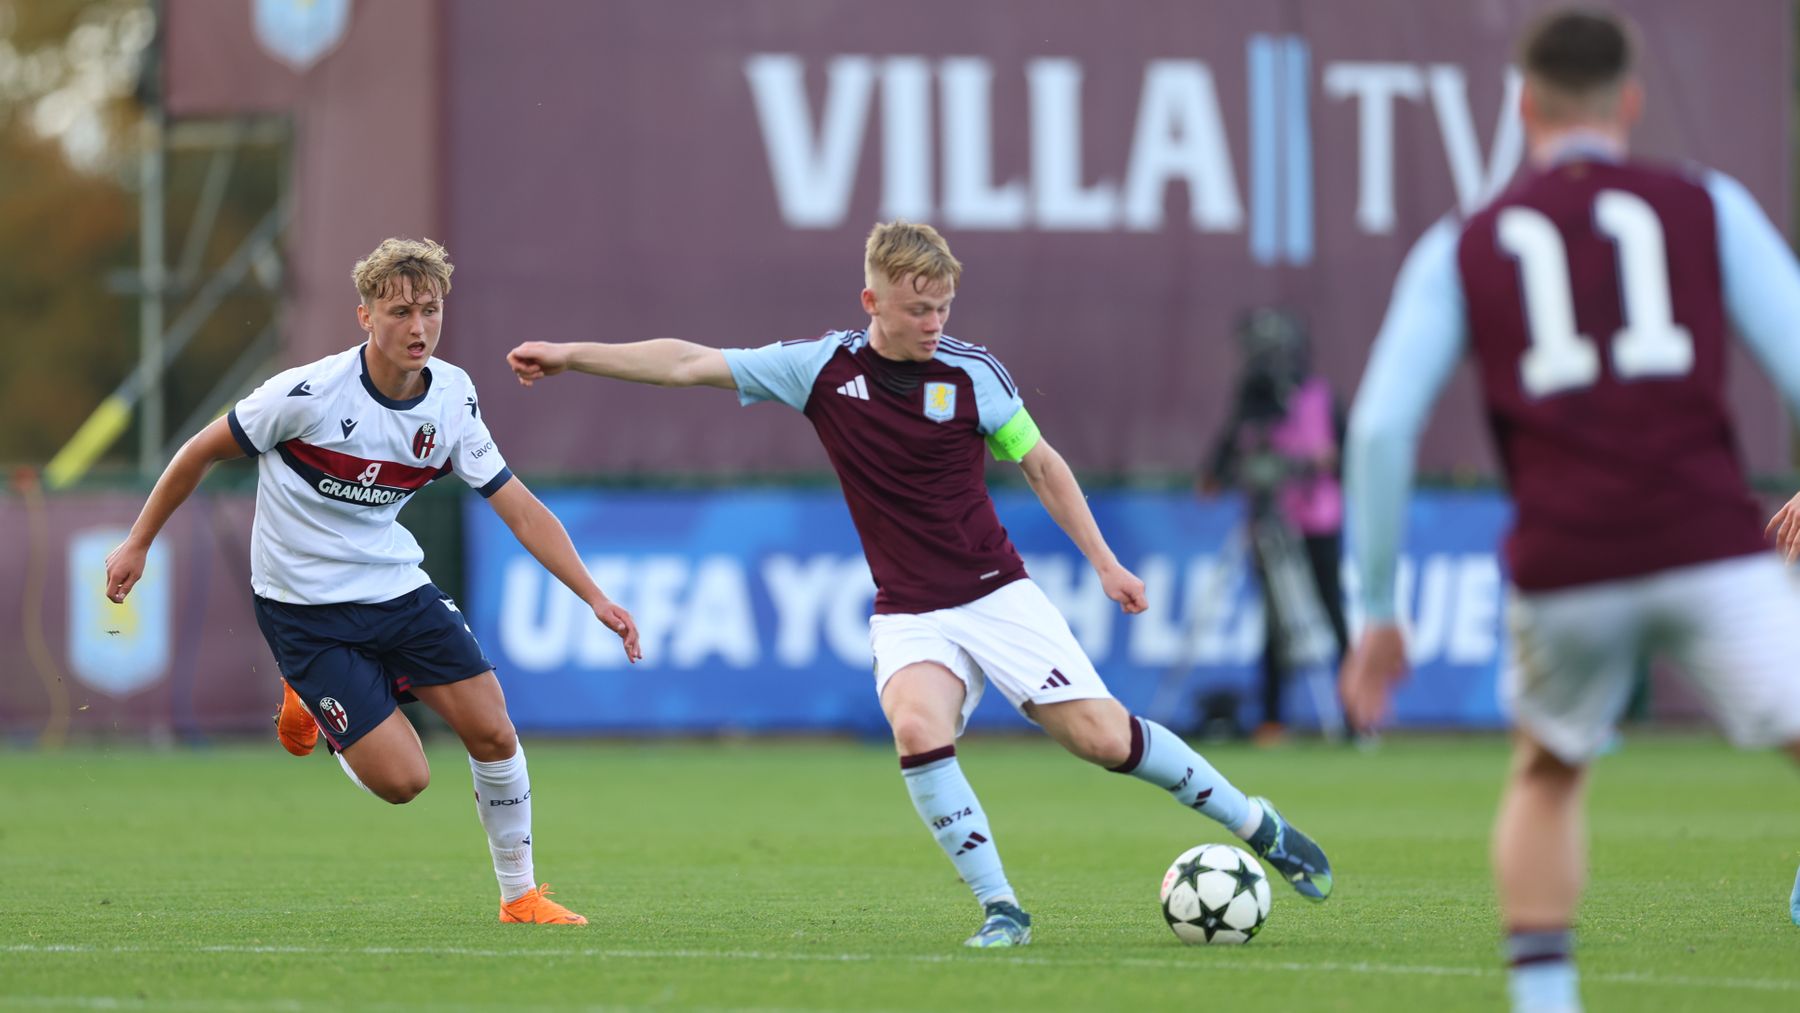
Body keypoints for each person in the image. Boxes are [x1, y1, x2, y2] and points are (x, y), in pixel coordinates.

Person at [505, 220, 1333, 948]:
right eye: (916, 307)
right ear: (871, 299)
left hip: (996, 593)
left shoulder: (975, 376)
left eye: (942, 306)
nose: (934, 322)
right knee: (915, 725)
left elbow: (1040, 463)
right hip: (910, 611)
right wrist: (572, 355)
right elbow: (686, 362)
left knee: (1103, 740)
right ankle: (1002, 907)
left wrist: (1106, 561)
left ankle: (1257, 822)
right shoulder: (819, 369)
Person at [1337, 9, 1800, 1012]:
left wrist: (1377, 608)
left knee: (1548, 769)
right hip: (1708, 542)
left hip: (1563, 563)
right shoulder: (1704, 203)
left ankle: (1547, 1001)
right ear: (1628, 103)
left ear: (1522, 104)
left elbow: (1377, 430)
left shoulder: (1462, 243)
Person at [104, 237, 642, 925]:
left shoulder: (451, 398)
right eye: (399, 313)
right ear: (364, 317)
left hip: (393, 587)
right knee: (405, 781)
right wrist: (139, 541)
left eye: (430, 309)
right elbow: (199, 451)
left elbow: (516, 503)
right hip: (302, 608)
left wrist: (594, 596)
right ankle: (311, 689)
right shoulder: (305, 395)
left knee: (493, 731)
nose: (418, 328)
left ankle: (520, 896)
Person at [1200, 307, 1350, 745]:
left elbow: (1345, 455)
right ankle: (1272, 720)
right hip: (1268, 522)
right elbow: (1221, 463)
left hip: (1318, 521)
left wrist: (1312, 464)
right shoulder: (1250, 401)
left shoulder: (1320, 396)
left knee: (1330, 611)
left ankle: (1356, 716)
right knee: (1275, 623)